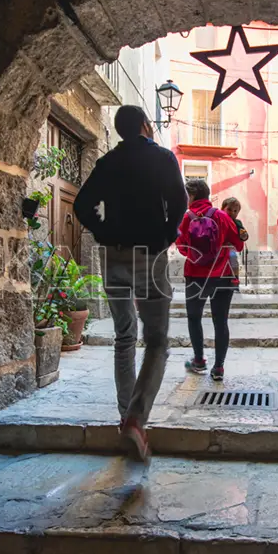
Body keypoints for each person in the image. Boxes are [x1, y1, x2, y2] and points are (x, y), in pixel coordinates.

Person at [74, 105, 187, 463]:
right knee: (156, 342)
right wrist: (164, 237)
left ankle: (125, 416)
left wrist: (105, 233)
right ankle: (137, 420)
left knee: (124, 337)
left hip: (113, 258)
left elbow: (82, 206)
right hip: (148, 257)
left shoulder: (107, 162)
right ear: (144, 125)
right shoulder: (163, 158)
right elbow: (180, 203)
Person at [178, 179, 244, 381]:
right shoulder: (222, 216)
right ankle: (219, 368)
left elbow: (181, 246)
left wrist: (198, 257)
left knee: (194, 317)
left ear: (192, 196)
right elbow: (239, 246)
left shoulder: (186, 217)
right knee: (220, 320)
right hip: (223, 275)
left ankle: (199, 360)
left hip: (196, 275)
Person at [220, 197, 249, 282]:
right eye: (229, 209)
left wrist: (244, 236)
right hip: (219, 247)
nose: (232, 212)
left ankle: (235, 279)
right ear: (222, 209)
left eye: (235, 211)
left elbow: (243, 232)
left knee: (233, 260)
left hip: (231, 247)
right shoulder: (219, 218)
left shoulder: (237, 222)